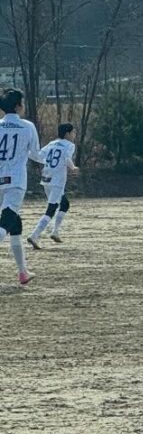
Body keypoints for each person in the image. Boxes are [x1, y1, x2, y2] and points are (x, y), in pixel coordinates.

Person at [0, 89, 42, 286]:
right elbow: (35, 154)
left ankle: (23, 272)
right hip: (15, 181)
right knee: (6, 222)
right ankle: (23, 271)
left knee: (15, 223)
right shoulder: (27, 126)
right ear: (18, 105)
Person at [27, 122, 77, 251]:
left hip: (46, 178)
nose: (74, 135)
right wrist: (73, 167)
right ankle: (34, 235)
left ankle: (55, 232)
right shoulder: (70, 145)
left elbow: (37, 156)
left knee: (64, 203)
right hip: (57, 181)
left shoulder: (52, 143)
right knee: (52, 208)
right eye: (73, 132)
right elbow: (66, 158)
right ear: (67, 134)